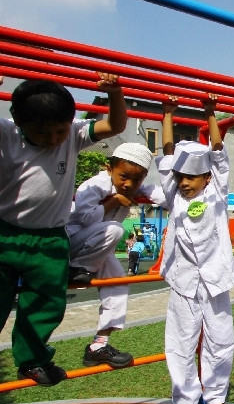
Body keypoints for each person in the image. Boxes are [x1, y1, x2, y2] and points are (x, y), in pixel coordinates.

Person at [0, 71, 128, 400]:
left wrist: (115, 94)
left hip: (50, 239)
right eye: (42, 133)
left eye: (59, 130)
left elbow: (114, 125)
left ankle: (32, 359)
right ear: (19, 122)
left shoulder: (74, 134)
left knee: (46, 305)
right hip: (3, 235)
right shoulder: (2, 132)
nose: (54, 139)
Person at [157, 94, 234, 404]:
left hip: (215, 279)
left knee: (221, 339)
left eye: (191, 177)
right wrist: (168, 114)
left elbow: (218, 152)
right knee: (179, 344)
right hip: (184, 280)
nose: (185, 183)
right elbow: (166, 152)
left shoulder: (216, 193)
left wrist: (210, 113)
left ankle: (216, 397)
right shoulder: (175, 196)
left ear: (207, 177)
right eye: (180, 178)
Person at [66, 141, 165, 369]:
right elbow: (84, 219)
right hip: (73, 243)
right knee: (114, 229)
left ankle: (98, 345)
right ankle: (76, 270)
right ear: (109, 168)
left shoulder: (132, 186)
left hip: (98, 248)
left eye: (137, 179)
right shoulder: (94, 186)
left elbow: (161, 195)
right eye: (123, 177)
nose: (129, 184)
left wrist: (188, 194)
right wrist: (113, 201)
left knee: (119, 283)